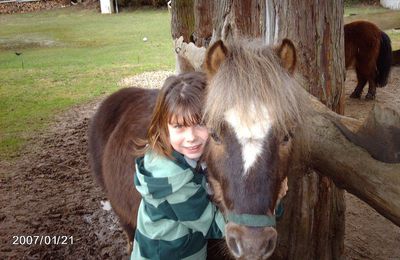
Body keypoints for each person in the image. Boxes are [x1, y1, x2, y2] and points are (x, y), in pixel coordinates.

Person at [131, 72, 225, 260]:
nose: (191, 137)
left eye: (200, 123)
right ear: (164, 127)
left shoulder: (185, 155)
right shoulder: (173, 181)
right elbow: (214, 226)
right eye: (179, 126)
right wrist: (268, 208)